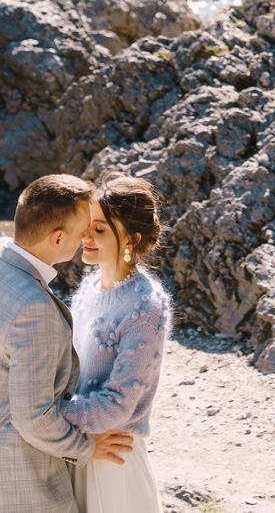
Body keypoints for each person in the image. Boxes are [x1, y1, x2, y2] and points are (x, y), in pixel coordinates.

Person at [0, 174, 135, 513]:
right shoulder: (34, 309)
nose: (86, 238)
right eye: (83, 230)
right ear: (57, 238)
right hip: (19, 482)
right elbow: (33, 418)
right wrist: (87, 447)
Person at [66, 176, 174, 513]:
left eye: (99, 230)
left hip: (114, 459)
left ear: (131, 238)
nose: (85, 236)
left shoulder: (146, 307)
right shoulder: (90, 286)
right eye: (87, 225)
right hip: (81, 447)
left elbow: (118, 404)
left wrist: (52, 417)